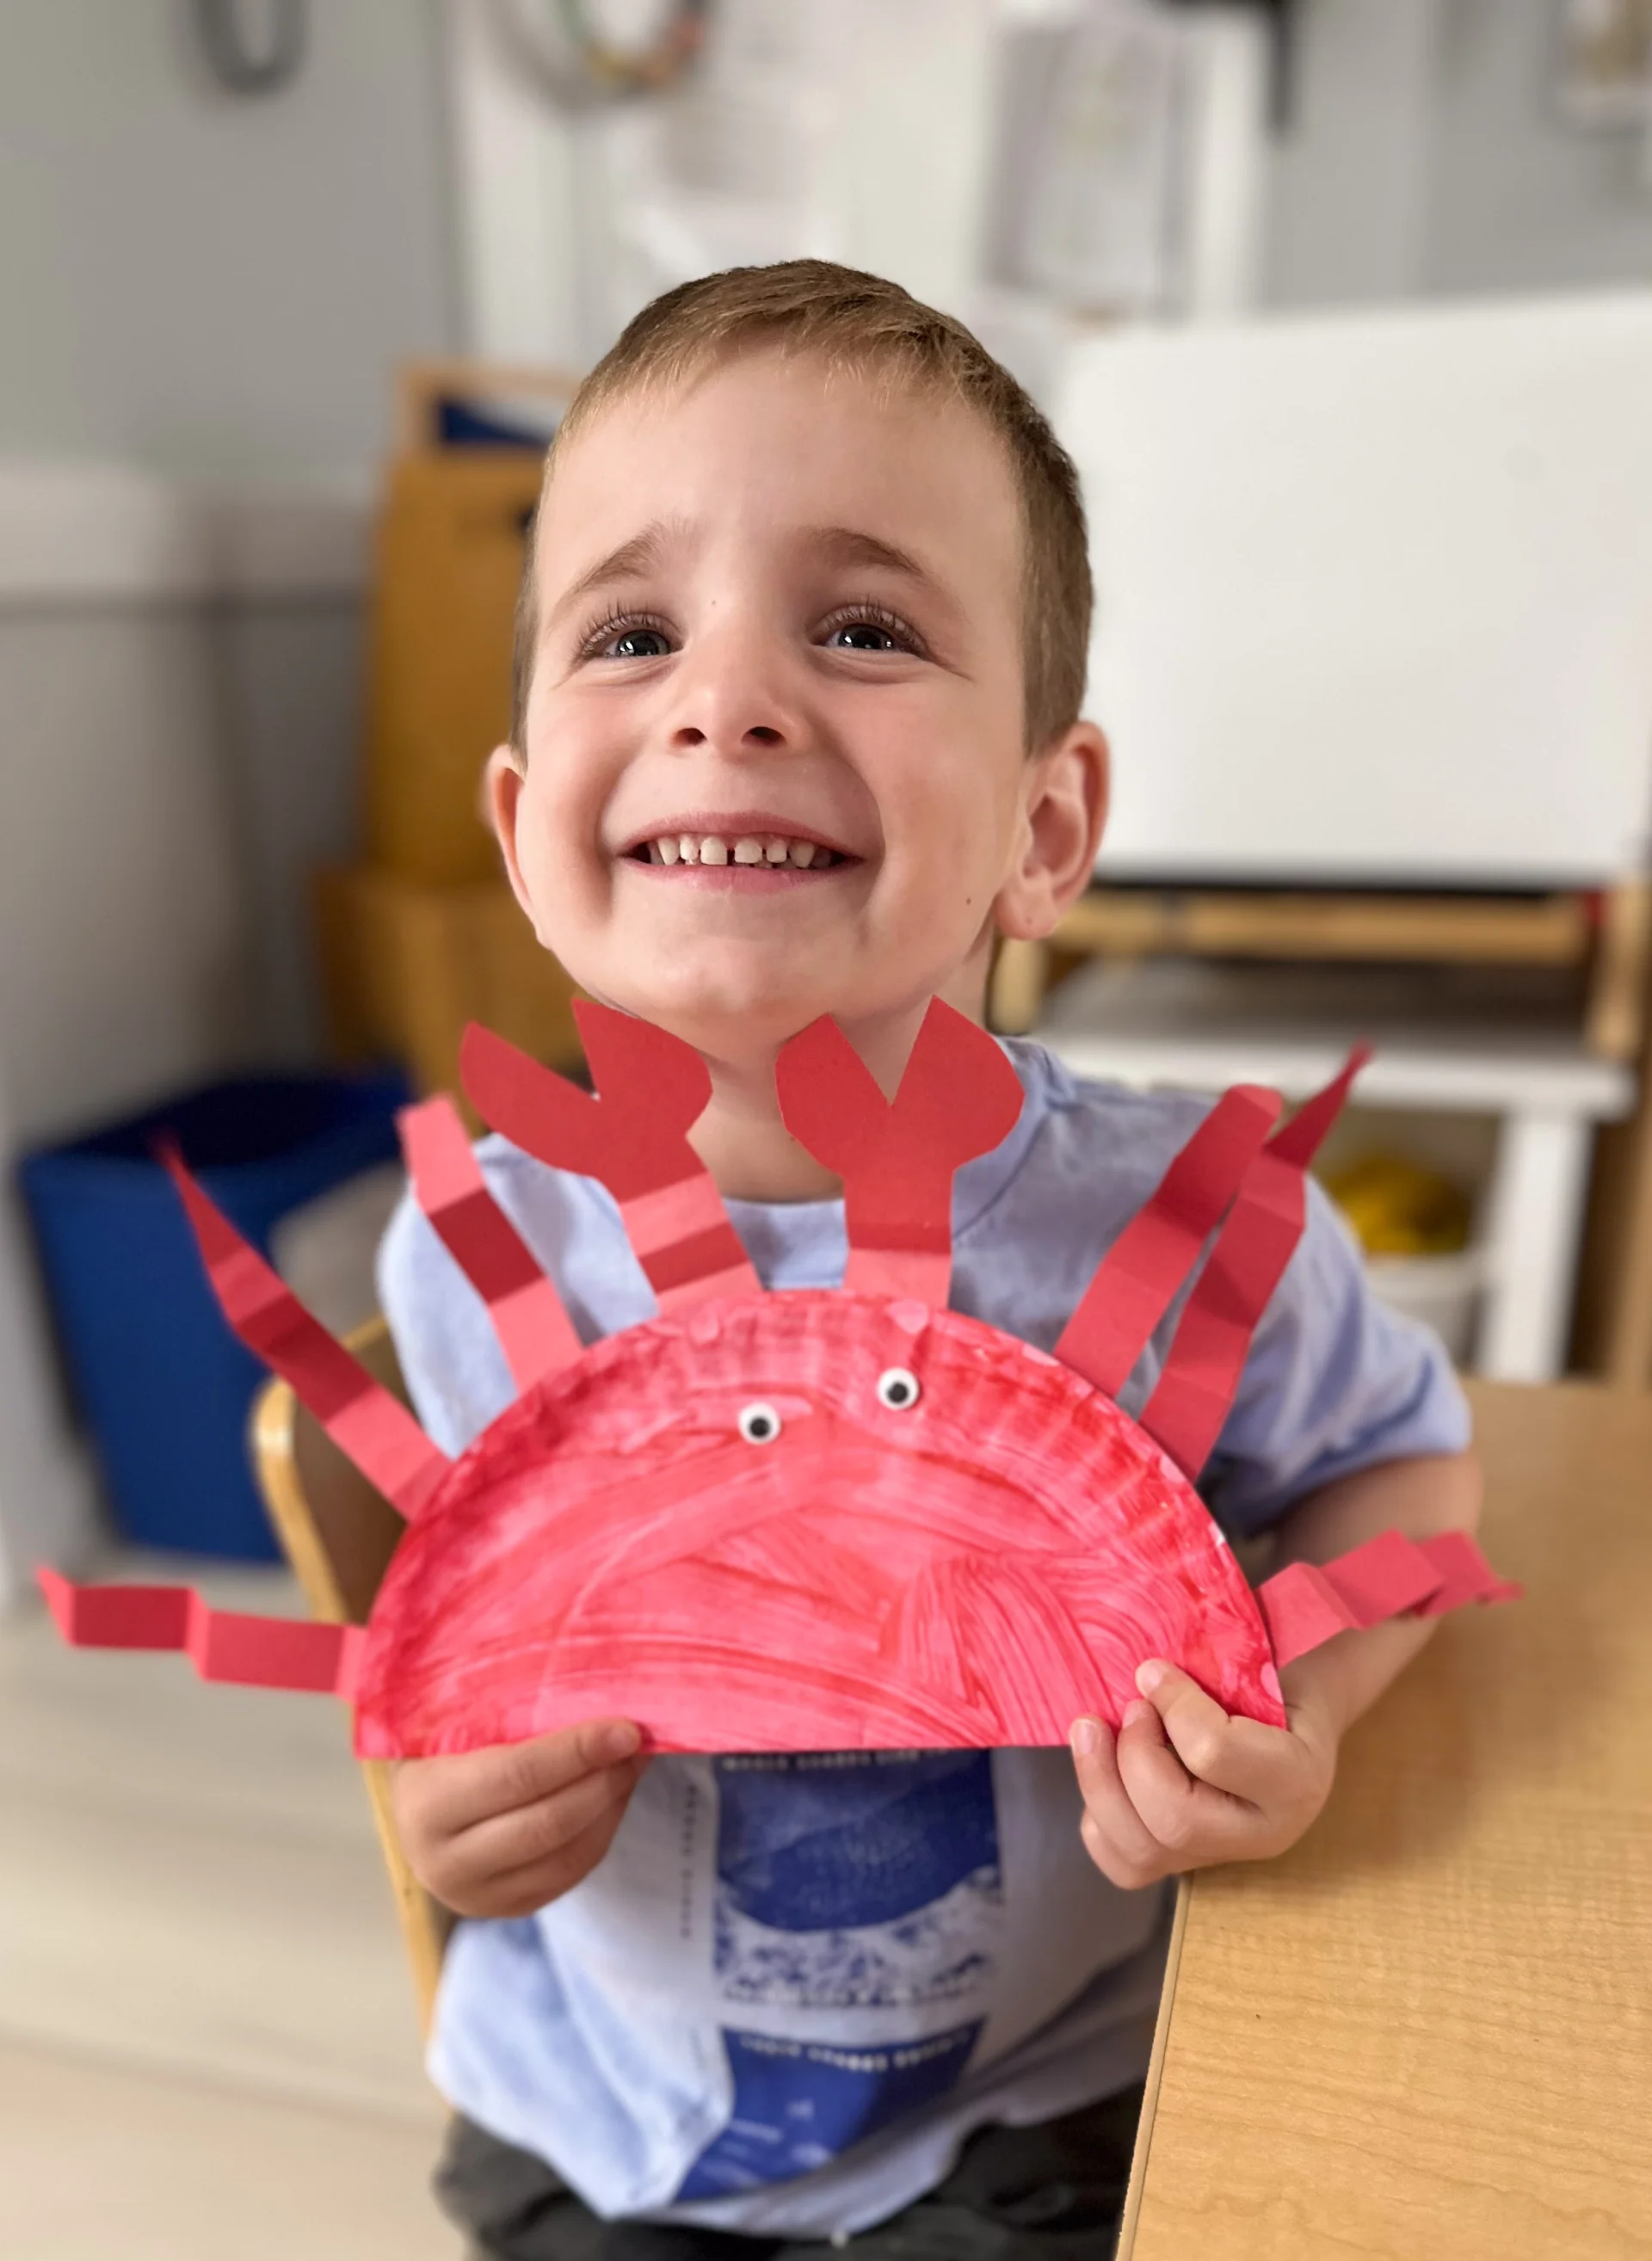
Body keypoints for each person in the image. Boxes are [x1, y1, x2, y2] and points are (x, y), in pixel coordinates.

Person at [378, 260, 1479, 2258]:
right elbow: (459, 1645)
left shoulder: (1196, 1233)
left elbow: (1404, 1471)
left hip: (1037, 2116)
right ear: (528, 831)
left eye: (864, 628)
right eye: (632, 632)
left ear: (1048, 827)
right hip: (597, 2116)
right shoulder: (472, 1258)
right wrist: (443, 1797)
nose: (726, 698)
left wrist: (1300, 1710)